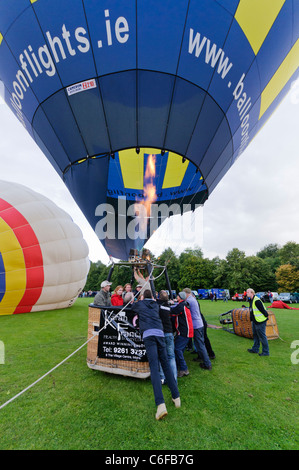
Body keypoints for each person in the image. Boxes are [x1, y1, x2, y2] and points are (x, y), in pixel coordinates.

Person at [131, 289, 180, 420]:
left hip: (149, 336)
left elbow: (131, 306)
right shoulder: (156, 304)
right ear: (152, 296)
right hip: (160, 334)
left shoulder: (140, 304)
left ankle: (160, 405)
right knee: (165, 364)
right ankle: (176, 396)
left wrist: (138, 300)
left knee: (154, 368)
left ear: (142, 297)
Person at [183, 288, 212, 370]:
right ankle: (202, 359)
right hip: (199, 324)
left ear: (186, 293)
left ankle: (207, 364)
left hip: (196, 325)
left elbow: (182, 306)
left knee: (200, 345)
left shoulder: (189, 300)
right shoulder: (192, 299)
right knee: (199, 344)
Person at [170, 292, 194, 377]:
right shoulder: (183, 304)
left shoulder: (181, 306)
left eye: (178, 296)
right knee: (180, 350)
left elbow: (172, 312)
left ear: (180, 297)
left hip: (185, 331)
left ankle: (184, 369)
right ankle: (178, 366)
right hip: (187, 331)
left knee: (177, 349)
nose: (176, 297)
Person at [157, 290, 177, 384]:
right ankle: (174, 379)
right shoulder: (168, 307)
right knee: (171, 356)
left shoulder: (157, 306)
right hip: (169, 332)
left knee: (162, 356)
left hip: (161, 333)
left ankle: (162, 377)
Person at [246, 288, 269, 356]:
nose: (246, 293)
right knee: (255, 335)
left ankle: (266, 352)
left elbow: (263, 311)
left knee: (262, 337)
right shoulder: (251, 300)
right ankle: (255, 349)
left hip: (260, 321)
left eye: (248, 292)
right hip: (255, 321)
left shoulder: (257, 301)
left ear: (252, 293)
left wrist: (266, 317)